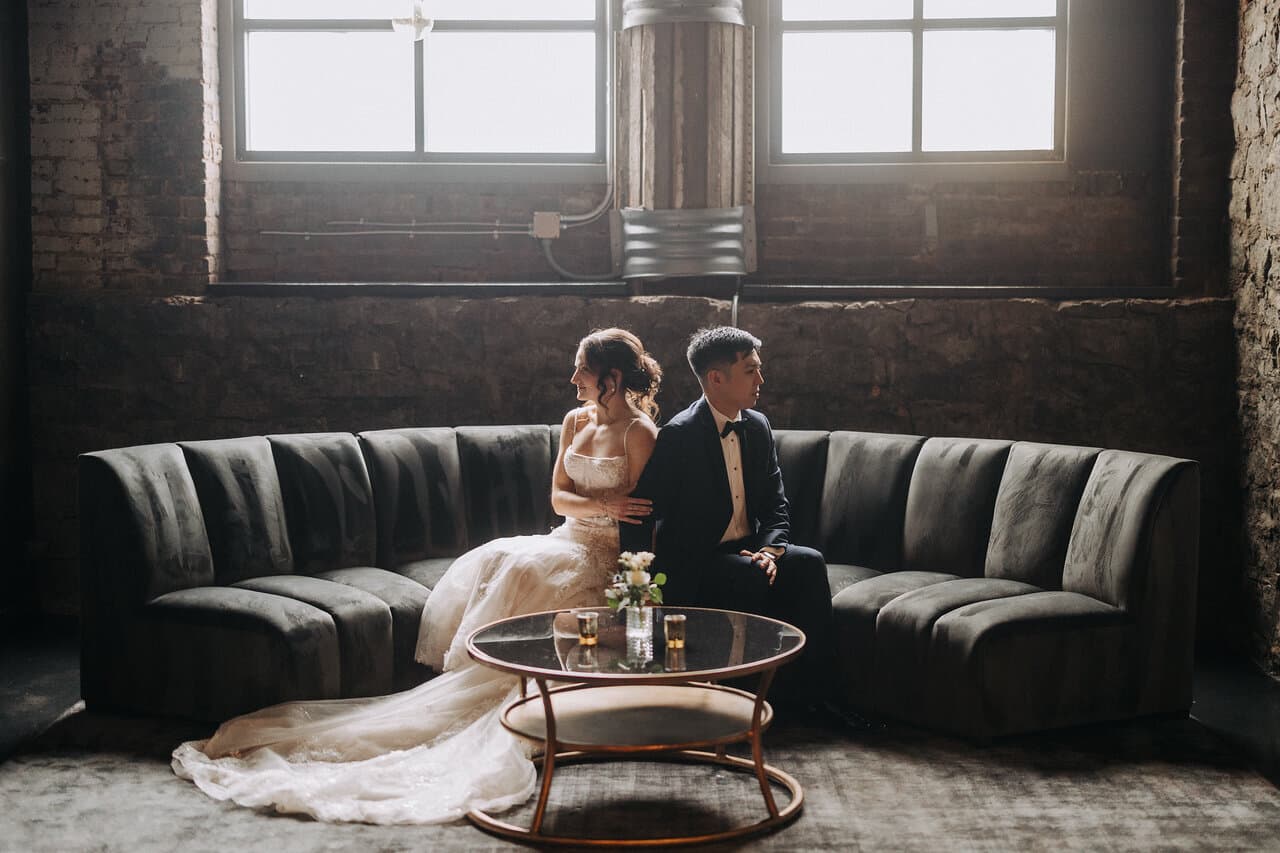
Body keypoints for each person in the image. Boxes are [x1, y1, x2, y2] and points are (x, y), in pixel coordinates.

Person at [171, 328, 660, 825]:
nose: (573, 377)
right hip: (567, 534)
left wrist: (626, 557)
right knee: (500, 560)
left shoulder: (638, 433)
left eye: (583, 368)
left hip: (606, 552)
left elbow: (641, 514)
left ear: (612, 378)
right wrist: (601, 502)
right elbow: (557, 498)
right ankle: (479, 679)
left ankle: (515, 696)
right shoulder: (575, 420)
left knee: (524, 567)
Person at [619, 326, 833, 709]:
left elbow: (775, 505)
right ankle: (743, 703)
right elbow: (640, 513)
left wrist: (770, 551)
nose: (761, 380)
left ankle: (813, 698)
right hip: (697, 562)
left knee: (808, 564)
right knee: (746, 575)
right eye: (751, 370)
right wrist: (640, 588)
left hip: (750, 551)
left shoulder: (758, 425)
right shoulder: (680, 435)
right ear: (716, 378)